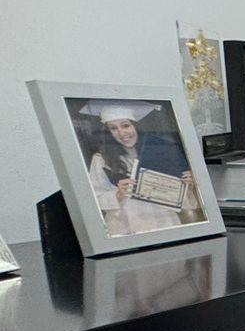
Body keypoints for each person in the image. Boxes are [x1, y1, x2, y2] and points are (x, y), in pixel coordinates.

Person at [82, 100, 199, 236]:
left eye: (126, 125)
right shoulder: (101, 159)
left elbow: (185, 203)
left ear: (136, 126)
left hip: (164, 224)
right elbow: (94, 200)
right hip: (124, 228)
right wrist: (118, 195)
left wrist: (189, 186)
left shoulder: (160, 152)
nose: (121, 133)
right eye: (113, 128)